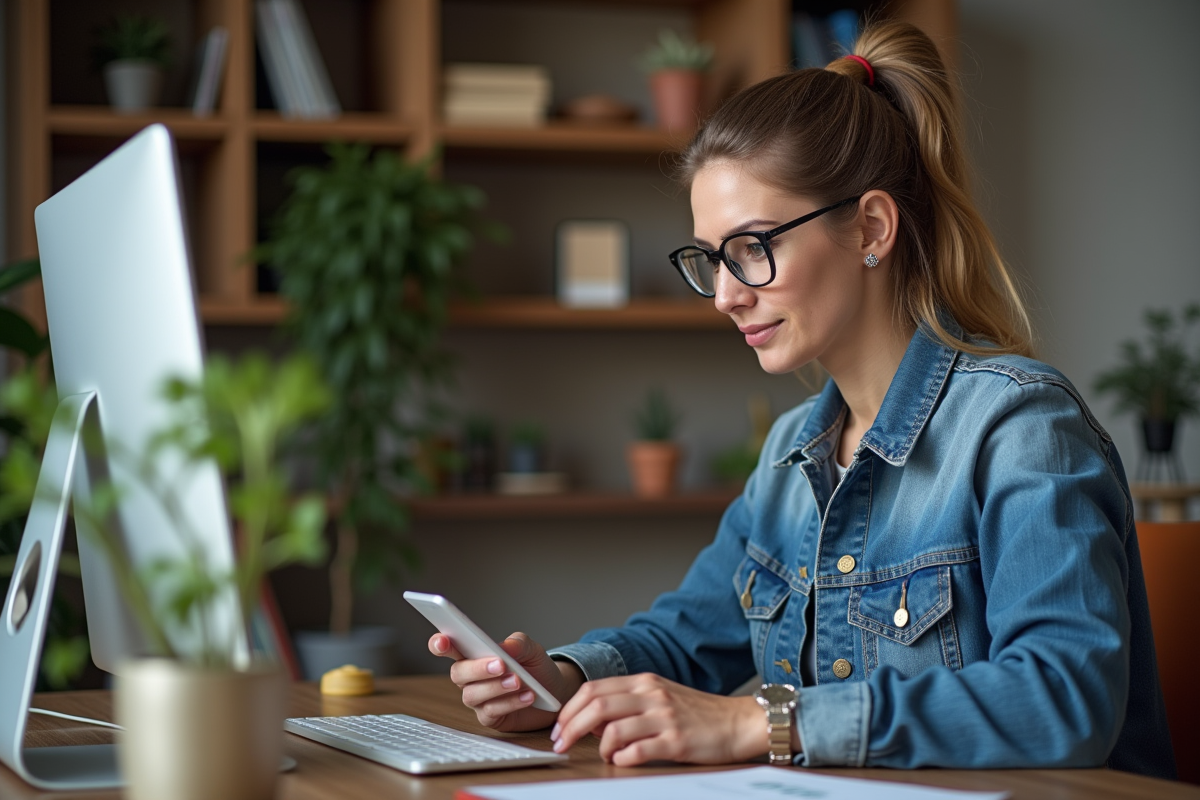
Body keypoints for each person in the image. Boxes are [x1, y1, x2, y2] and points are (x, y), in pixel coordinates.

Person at [428, 21, 1175, 777]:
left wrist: (762, 721)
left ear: (871, 228)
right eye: (711, 259)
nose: (725, 296)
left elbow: (1063, 698)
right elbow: (688, 636)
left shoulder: (1021, 429)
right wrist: (561, 682)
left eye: (753, 248)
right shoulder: (790, 453)